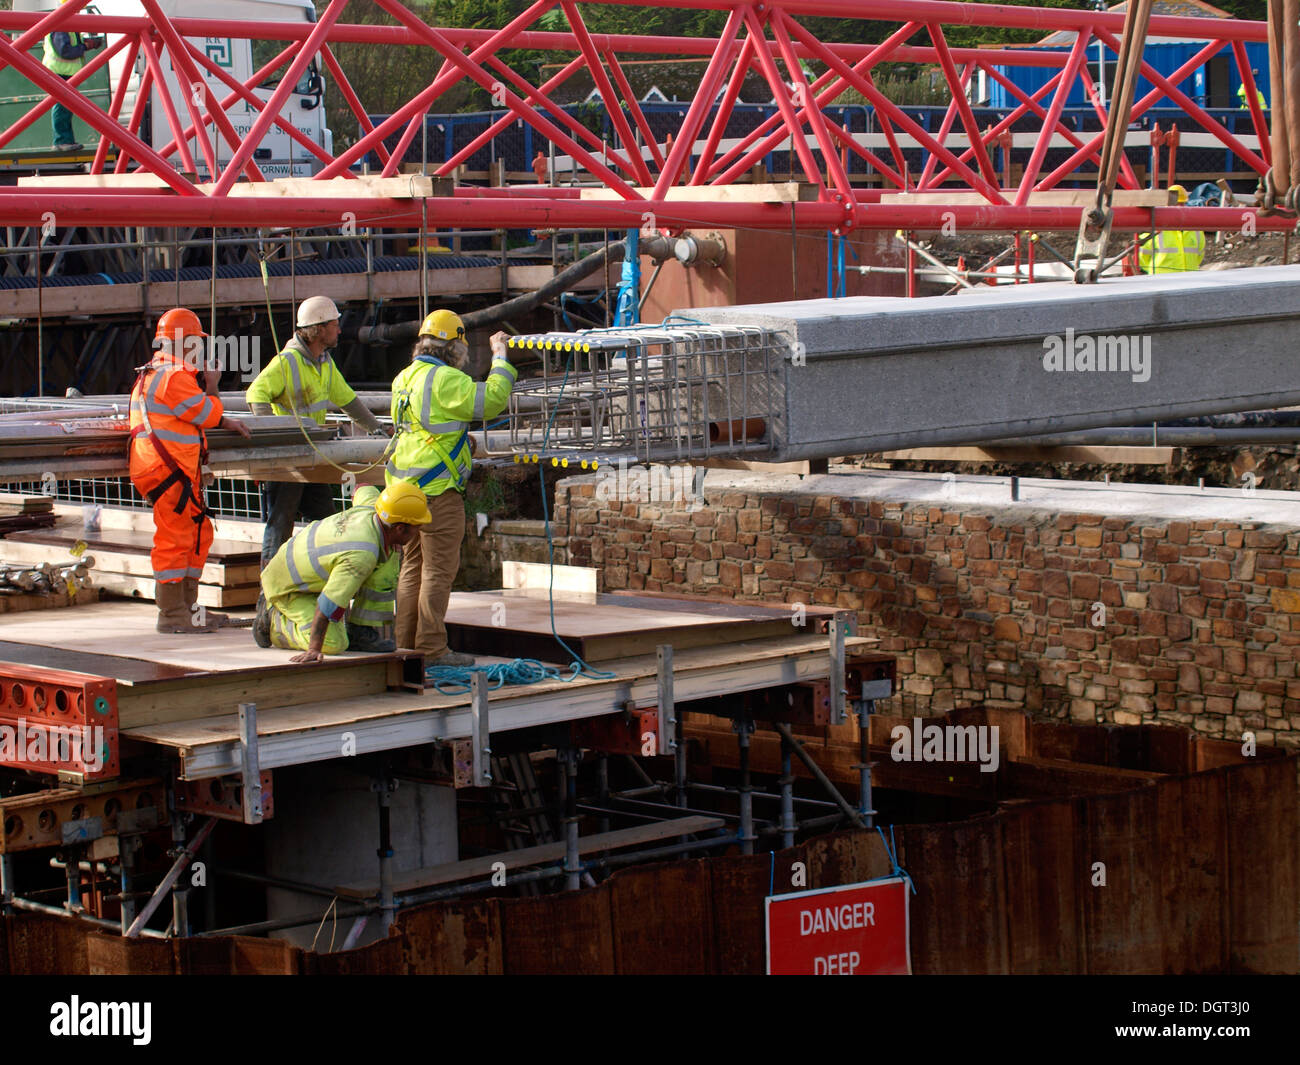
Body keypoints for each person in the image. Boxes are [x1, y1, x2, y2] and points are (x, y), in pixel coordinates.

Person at [387, 310, 515, 666]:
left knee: (411, 570)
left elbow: (429, 427)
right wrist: (500, 357)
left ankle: (405, 646)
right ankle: (431, 649)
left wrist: (461, 443)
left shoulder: (403, 378)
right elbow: (492, 400)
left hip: (404, 491)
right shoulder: (445, 379)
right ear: (454, 346)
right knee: (438, 572)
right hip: (438, 491)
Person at [129, 308, 251, 633]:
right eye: (196, 340)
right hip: (169, 471)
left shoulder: (157, 374)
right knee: (174, 538)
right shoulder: (173, 377)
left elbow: (188, 414)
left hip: (172, 471)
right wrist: (212, 386)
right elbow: (205, 413)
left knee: (197, 532)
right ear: (183, 341)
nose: (199, 347)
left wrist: (221, 417)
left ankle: (189, 609)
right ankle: (171, 614)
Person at [246, 295, 390, 566]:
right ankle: (270, 598)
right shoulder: (287, 362)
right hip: (288, 460)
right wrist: (271, 433)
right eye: (335, 324)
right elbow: (256, 393)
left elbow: (349, 402)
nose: (339, 329)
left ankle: (318, 580)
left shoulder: (324, 362)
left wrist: (379, 429)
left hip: (312, 456)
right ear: (318, 328)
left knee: (325, 520)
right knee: (280, 525)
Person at [253, 481, 429, 662]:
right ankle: (273, 623)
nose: (419, 530)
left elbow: (363, 487)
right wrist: (314, 648)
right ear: (400, 528)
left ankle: (361, 631)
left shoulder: (374, 508)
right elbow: (327, 604)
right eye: (417, 526)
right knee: (334, 643)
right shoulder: (361, 555)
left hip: (305, 577)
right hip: (287, 589)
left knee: (389, 553)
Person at [42, 1, 102, 152]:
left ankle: (66, 140)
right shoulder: (61, 24)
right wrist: (85, 46)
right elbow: (66, 51)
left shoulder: (67, 24)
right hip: (58, 71)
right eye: (77, 10)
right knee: (62, 107)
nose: (79, 13)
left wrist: (88, 44)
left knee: (66, 107)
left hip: (64, 72)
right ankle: (61, 141)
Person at [1136, 184, 1206, 274]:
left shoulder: (1196, 230)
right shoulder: (1155, 228)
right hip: (1162, 282)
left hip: (1188, 280)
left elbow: (1199, 255)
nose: (1179, 207)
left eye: (1182, 204)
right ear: (1167, 205)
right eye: (1176, 204)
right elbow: (1141, 257)